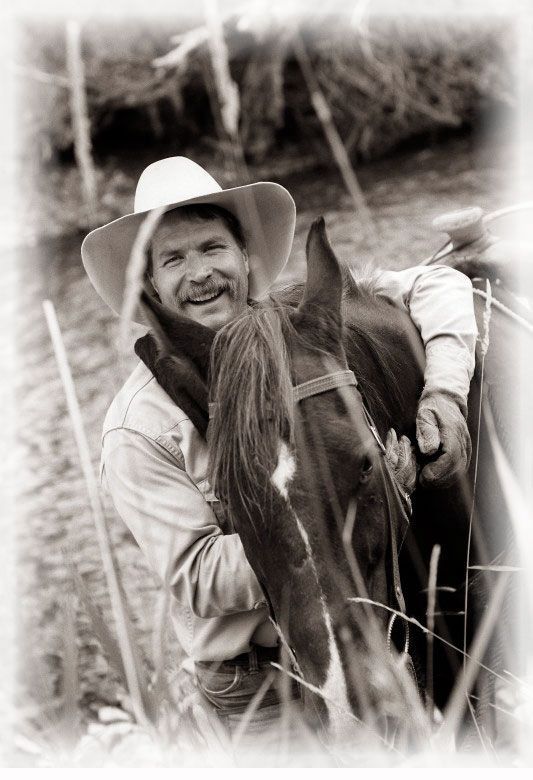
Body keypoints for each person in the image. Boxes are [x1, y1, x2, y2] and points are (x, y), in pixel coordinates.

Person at [81, 156, 477, 739]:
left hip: (364, 630)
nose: (200, 274)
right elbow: (197, 577)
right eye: (174, 259)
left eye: (213, 247)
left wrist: (443, 394)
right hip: (259, 688)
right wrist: (335, 518)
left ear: (245, 257)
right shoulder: (138, 427)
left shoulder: (291, 331)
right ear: (149, 285)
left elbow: (434, 281)